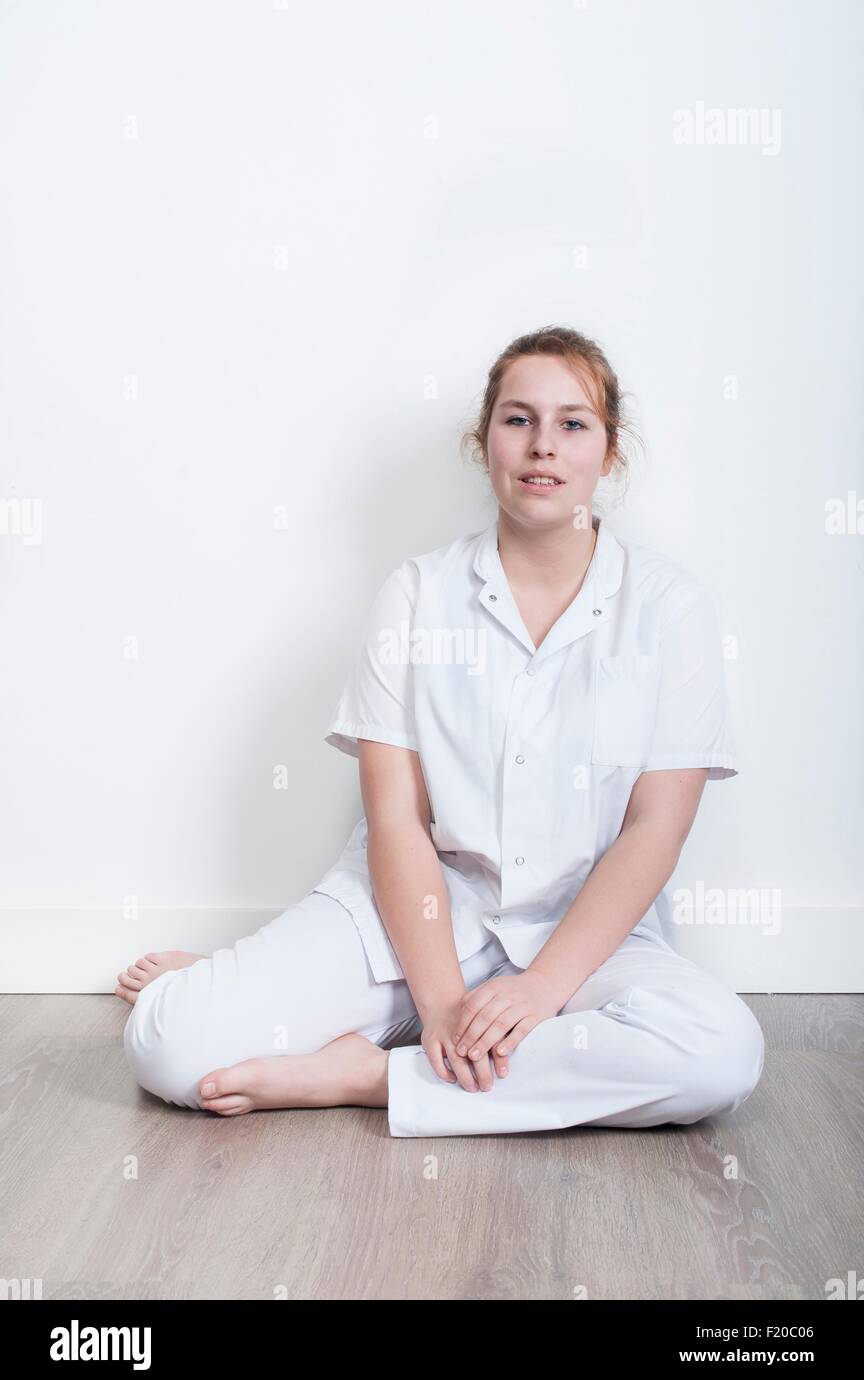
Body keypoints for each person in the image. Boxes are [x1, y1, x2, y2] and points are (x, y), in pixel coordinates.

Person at [118, 325, 764, 1138]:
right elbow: (396, 820)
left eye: (573, 424)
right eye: (517, 418)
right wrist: (443, 1008)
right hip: (421, 918)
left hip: (587, 934)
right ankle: (223, 987)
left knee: (720, 1054)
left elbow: (655, 829)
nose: (542, 446)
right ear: (484, 439)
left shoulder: (671, 607)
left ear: (610, 452)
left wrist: (537, 991)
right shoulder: (417, 594)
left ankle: (374, 1076)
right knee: (173, 1049)